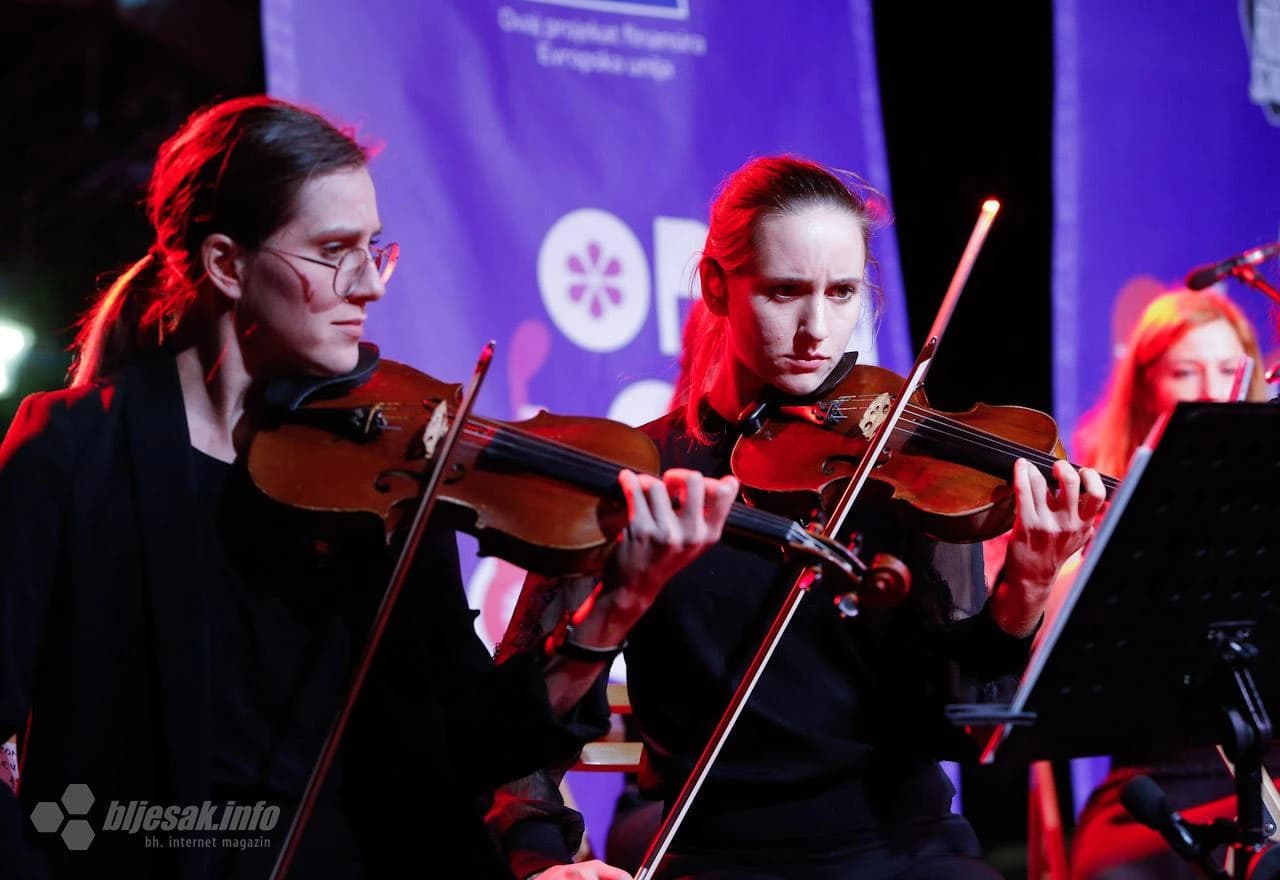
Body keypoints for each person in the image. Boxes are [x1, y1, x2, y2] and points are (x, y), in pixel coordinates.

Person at [0, 95, 741, 879]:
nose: (370, 285)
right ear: (225, 264)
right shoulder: (72, 448)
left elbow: (462, 745)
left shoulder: (385, 471)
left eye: (375, 248)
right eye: (333, 250)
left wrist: (614, 608)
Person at [488, 154, 1105, 880]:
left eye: (842, 292)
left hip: (911, 853)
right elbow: (515, 741)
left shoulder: (901, 466)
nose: (818, 328)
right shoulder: (637, 471)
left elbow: (964, 730)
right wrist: (542, 861)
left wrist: (1025, 589)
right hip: (722, 859)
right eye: (785, 293)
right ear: (717, 286)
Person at [1063, 288, 1271, 880]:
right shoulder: (1096, 501)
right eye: (1187, 371)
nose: (1212, 390)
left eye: (1230, 369)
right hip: (1157, 781)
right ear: (1146, 385)